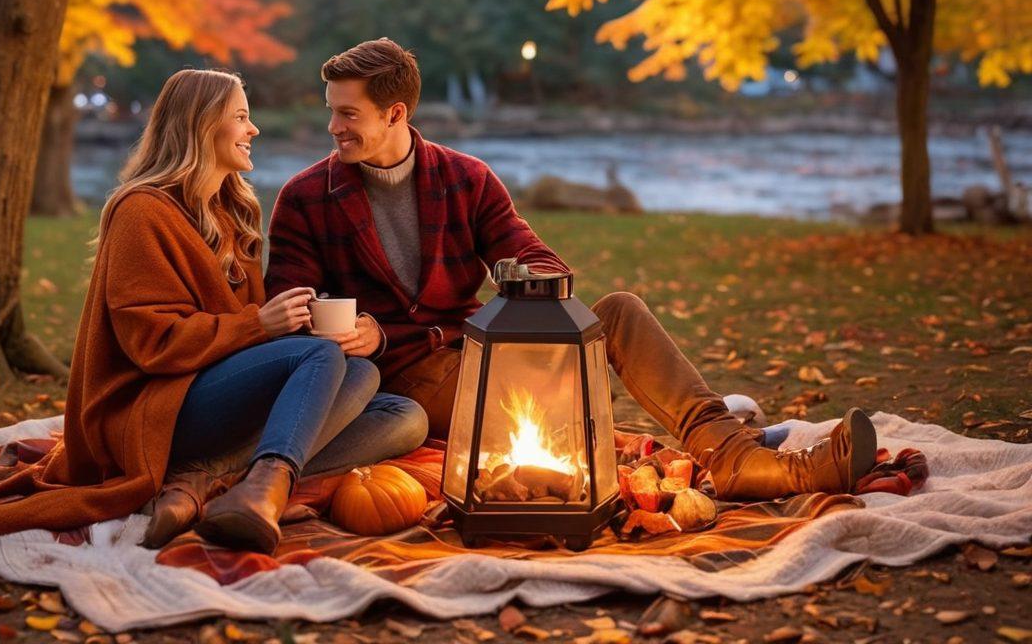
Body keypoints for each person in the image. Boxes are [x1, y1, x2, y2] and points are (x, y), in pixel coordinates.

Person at [0, 69, 428, 554]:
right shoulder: (142, 212)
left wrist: (284, 325)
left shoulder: (232, 213)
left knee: (398, 408)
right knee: (322, 355)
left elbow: (253, 348)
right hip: (152, 406)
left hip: (211, 408)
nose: (254, 129)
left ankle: (206, 481)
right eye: (241, 116)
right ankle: (258, 488)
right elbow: (150, 344)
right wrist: (258, 324)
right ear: (200, 125)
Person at [265, 39, 876, 501]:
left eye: (348, 114)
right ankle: (742, 453)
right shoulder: (305, 196)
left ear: (394, 113)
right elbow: (289, 309)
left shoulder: (466, 178)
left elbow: (544, 263)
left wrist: (512, 279)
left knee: (621, 311)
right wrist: (364, 331)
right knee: (566, 420)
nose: (333, 127)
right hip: (403, 375)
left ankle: (731, 453)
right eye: (332, 112)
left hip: (480, 346)